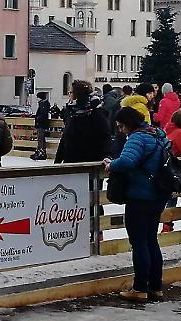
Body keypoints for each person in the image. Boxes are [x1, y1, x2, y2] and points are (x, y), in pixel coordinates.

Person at [105, 106, 169, 302]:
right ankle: (155, 287)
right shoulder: (158, 133)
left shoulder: (137, 137)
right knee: (151, 241)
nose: (121, 130)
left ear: (128, 123)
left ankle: (140, 287)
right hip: (158, 194)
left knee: (139, 243)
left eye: (121, 126)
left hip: (140, 195)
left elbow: (127, 161)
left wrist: (111, 164)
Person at [55, 80, 111, 164]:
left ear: (77, 94)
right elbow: (65, 138)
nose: (69, 94)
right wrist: (58, 161)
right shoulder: (73, 112)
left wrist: (105, 157)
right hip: (70, 161)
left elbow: (105, 137)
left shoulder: (96, 113)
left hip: (90, 163)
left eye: (71, 92)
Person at [32, 91, 52, 161]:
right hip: (42, 124)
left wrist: (37, 119)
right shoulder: (44, 104)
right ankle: (41, 152)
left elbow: (43, 114)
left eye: (37, 97)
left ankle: (41, 152)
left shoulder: (43, 104)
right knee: (41, 139)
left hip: (41, 124)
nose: (37, 99)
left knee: (40, 139)